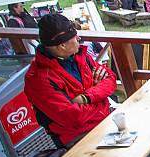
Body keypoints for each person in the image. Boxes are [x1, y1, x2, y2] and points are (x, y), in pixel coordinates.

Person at [23, 13, 116, 149]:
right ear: (62, 45)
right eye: (74, 37)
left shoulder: (79, 56)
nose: (79, 38)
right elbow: (73, 118)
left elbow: (110, 79)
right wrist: (101, 97)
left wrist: (86, 98)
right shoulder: (38, 79)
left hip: (105, 118)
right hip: (77, 136)